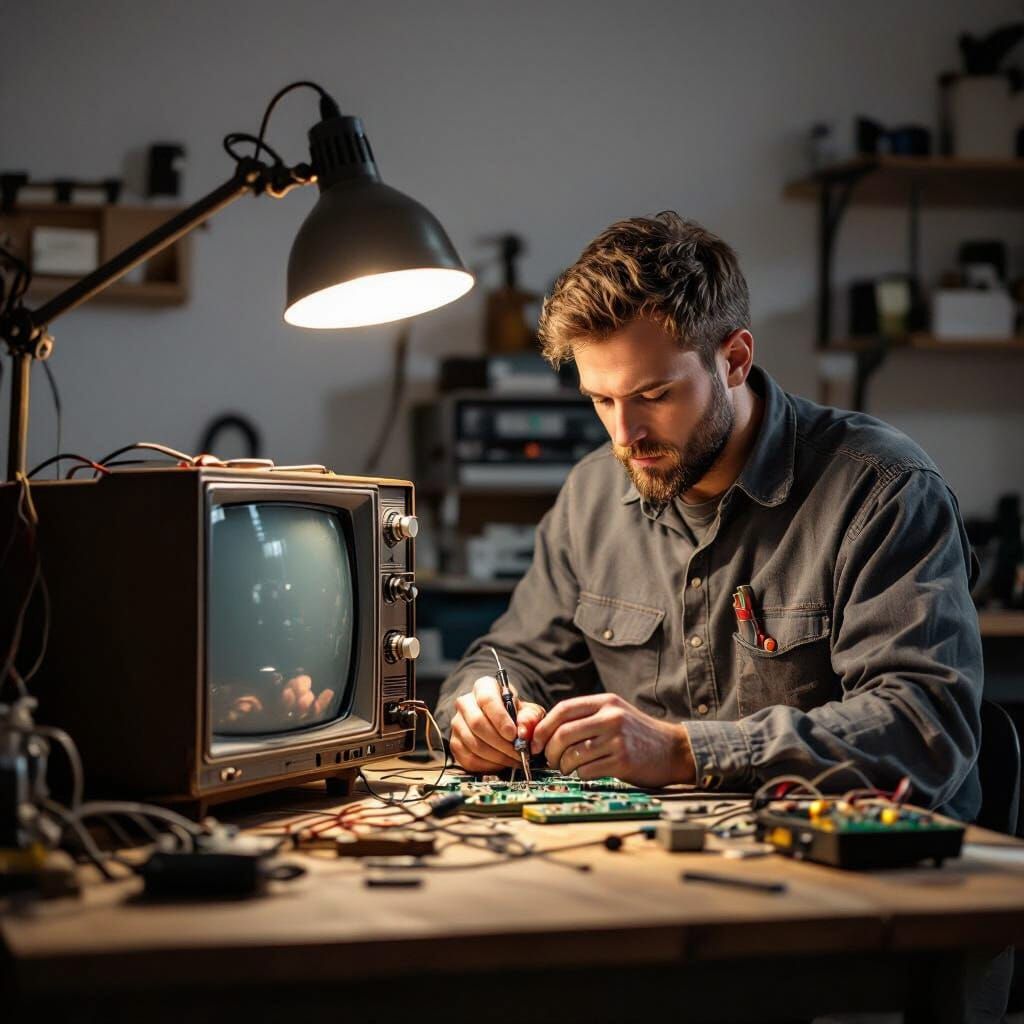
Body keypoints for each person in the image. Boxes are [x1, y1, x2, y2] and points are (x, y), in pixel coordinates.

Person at [433, 212, 982, 817]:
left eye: (654, 395)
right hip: (661, 861)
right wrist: (479, 711)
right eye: (601, 400)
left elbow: (924, 726)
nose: (625, 434)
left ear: (735, 360)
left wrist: (684, 752)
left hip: (863, 871)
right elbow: (511, 661)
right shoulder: (591, 495)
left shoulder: (882, 490)